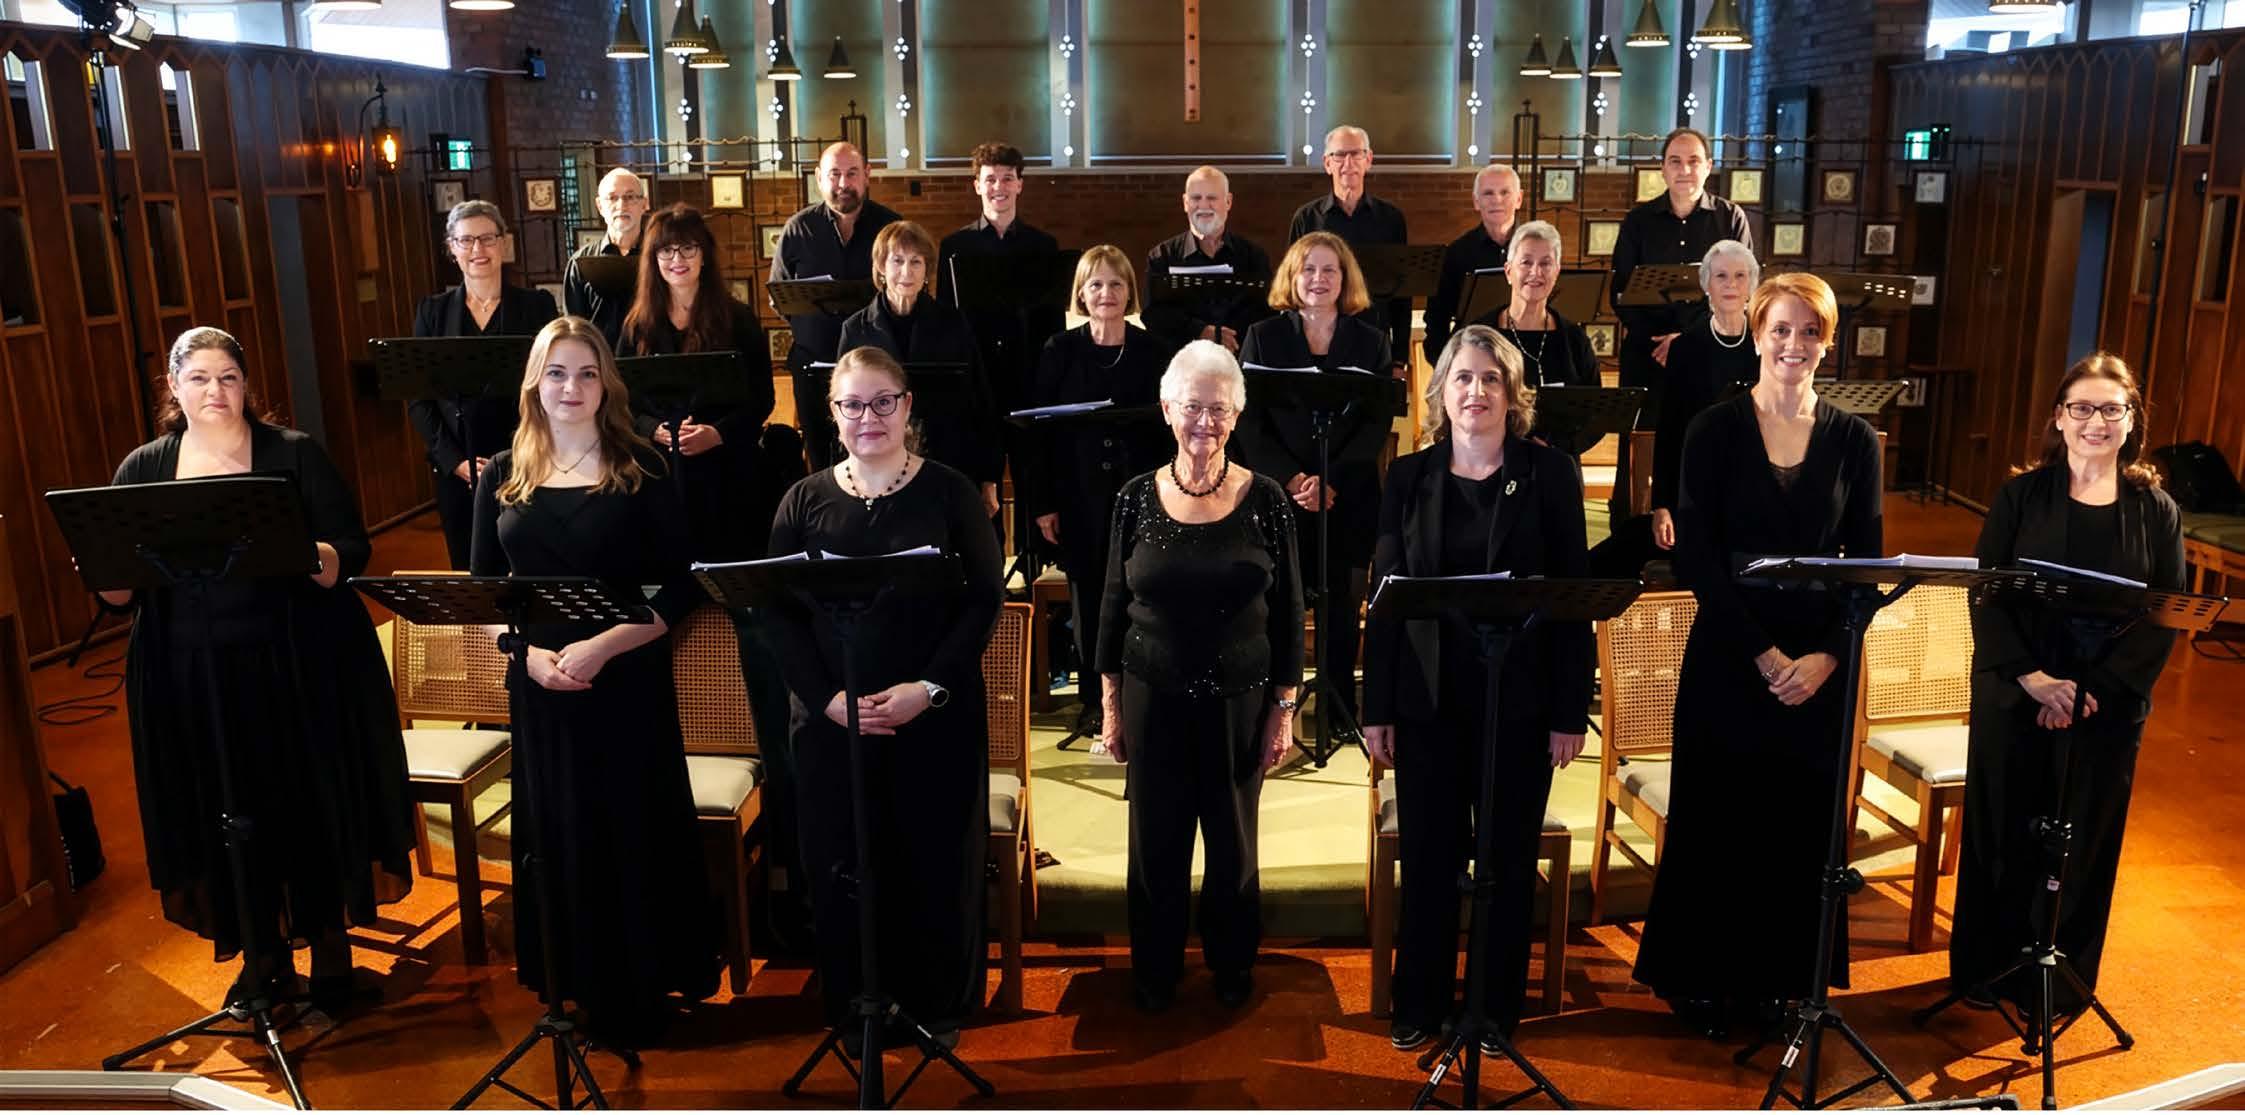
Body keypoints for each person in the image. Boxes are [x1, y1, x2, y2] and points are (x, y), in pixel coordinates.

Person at [108, 327, 415, 1014]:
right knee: (225, 805)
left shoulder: (294, 454)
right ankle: (262, 956)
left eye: (227, 377)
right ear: (174, 387)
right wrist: (101, 564)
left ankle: (331, 957)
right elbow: (119, 594)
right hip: (193, 673)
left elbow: (351, 550)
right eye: (198, 378)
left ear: (246, 385)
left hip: (296, 663)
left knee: (305, 801)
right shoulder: (144, 469)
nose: (214, 391)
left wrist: (308, 550)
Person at [1631, 272, 1883, 1038]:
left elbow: (1866, 565)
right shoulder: (1712, 428)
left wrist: (1826, 657)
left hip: (1818, 660)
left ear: (1826, 344)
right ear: (1758, 333)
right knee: (1718, 815)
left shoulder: (1853, 439)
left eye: (1809, 332)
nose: (1793, 344)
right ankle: (1705, 980)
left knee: (1795, 822)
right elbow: (1697, 558)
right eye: (1780, 329)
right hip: (1730, 647)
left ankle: (1783, 981)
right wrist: (1765, 654)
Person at [469, 316, 720, 1044]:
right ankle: (573, 981)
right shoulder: (501, 472)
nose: (570, 387)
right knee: (559, 830)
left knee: (630, 826)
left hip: (625, 676)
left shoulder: (643, 464)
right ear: (534, 383)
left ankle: (639, 986)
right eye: (556, 373)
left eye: (585, 373)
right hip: (540, 682)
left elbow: (684, 584)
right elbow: (483, 591)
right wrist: (525, 656)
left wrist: (604, 647)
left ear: (606, 383)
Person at [765, 345, 1005, 1047]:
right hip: (832, 722)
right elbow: (776, 613)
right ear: (832, 413)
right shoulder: (802, 500)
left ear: (906, 406)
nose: (867, 417)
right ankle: (856, 1007)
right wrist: (827, 699)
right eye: (851, 405)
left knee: (930, 858)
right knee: (843, 862)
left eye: (882, 402)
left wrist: (926, 689)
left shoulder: (951, 493)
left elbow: (983, 601)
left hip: (931, 717)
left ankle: (934, 1007)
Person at [1362, 324, 1593, 1050]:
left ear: (1513, 393)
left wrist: (1569, 710)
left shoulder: (1549, 473)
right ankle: (1419, 1000)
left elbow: (1573, 600)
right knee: (1430, 856)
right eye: (1462, 377)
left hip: (1520, 701)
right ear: (1441, 392)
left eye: (1492, 378)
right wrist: (1376, 707)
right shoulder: (1408, 477)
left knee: (1506, 859)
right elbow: (1384, 599)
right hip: (1427, 700)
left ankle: (1495, 1008)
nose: (1477, 391)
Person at [1948, 353, 2184, 1018]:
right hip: (2018, 688)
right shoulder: (2020, 496)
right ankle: (1988, 967)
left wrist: (2088, 691)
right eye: (2081, 407)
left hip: (2105, 700)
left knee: (2087, 838)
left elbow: (2166, 612)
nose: (2095, 421)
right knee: (2004, 827)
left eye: (2111, 408)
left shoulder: (2156, 510)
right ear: (2058, 416)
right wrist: (2034, 679)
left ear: (2131, 420)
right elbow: (1985, 593)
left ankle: (2060, 982)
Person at [1097, 340, 1304, 1014]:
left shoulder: (1266, 498)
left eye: (1218, 409)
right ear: (1167, 409)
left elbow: (1290, 612)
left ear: (1236, 414)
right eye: (1192, 407)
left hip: (1240, 698)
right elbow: (1110, 605)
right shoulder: (1133, 497)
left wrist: (1284, 709)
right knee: (1154, 840)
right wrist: (1110, 707)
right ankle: (1155, 966)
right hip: (1149, 692)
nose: (1204, 422)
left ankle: (1231, 961)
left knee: (1232, 841)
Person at [616, 203, 799, 930]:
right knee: (647, 632)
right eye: (667, 250)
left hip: (730, 501)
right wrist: (656, 432)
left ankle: (786, 837)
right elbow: (621, 404)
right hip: (665, 503)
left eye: (689, 249)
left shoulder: (738, 321)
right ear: (653, 259)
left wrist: (717, 434)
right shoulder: (636, 326)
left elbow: (761, 400)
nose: (678, 260)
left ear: (704, 256)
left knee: (760, 642)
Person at [1238, 232, 1390, 746]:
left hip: (1348, 492)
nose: (1318, 279)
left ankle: (1338, 704)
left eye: (1329, 270)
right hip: (1281, 494)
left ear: (1345, 279)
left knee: (1342, 604)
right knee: (1279, 599)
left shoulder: (1370, 340)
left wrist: (1331, 480)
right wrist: (1294, 479)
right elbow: (1249, 423)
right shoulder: (1263, 337)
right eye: (1308, 269)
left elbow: (1376, 422)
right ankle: (1277, 707)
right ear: (1292, 276)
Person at [1026, 246, 1180, 738]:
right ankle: (1094, 701)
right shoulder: (1059, 350)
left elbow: (1169, 430)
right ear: (1081, 293)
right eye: (1095, 284)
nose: (1106, 293)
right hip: (1078, 495)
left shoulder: (1154, 351)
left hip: (1143, 495)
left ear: (1129, 291)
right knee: (1089, 601)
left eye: (1116, 284)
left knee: (1143, 593)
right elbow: (1039, 434)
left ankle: (1141, 694)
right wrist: (1043, 503)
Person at [1607, 127, 1752, 527]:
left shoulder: (1730, 218)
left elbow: (1742, 287)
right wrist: (1660, 341)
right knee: (1638, 444)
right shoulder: (1638, 221)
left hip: (1711, 353)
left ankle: (1701, 526)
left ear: (1708, 167)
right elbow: (1621, 292)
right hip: (1648, 353)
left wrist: (1688, 340)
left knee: (1704, 440)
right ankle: (1631, 527)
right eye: (1675, 161)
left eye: (1693, 161)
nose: (1684, 170)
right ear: (1662, 169)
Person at [409, 199, 560, 569]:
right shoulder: (432, 311)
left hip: (527, 460)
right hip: (459, 469)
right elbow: (419, 399)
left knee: (531, 564)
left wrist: (528, 453)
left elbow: (552, 387)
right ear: (452, 248)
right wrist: (455, 461)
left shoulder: (537, 306)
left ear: (503, 244)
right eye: (466, 240)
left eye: (487, 238)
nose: (478, 249)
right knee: (470, 567)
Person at [938, 141, 1068, 546]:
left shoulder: (1042, 247)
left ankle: (1034, 565)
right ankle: (988, 566)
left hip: (1026, 379)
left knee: (1033, 476)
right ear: (976, 185)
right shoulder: (954, 248)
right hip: (979, 384)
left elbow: (1053, 326)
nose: (999, 187)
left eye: (1007, 179)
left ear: (1020, 185)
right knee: (981, 480)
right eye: (990, 179)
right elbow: (948, 322)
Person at [839, 219, 1003, 517]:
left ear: (927, 270)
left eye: (916, 262)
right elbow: (844, 407)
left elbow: (981, 400)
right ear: (881, 267)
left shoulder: (954, 324)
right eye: (897, 261)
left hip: (947, 460)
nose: (907, 271)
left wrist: (989, 476)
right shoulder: (855, 329)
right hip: (878, 465)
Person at [771, 142, 902, 467]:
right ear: (819, 177)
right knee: (819, 457)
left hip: (875, 367)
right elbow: (780, 299)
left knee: (876, 455)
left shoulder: (891, 227)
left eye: (852, 173)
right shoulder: (797, 228)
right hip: (813, 366)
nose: (843, 183)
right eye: (834, 174)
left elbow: (904, 291)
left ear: (867, 174)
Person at [1467, 221, 1599, 454]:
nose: (1535, 272)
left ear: (1556, 272)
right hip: (1491, 460)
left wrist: (1557, 449)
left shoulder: (1574, 338)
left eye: (1545, 263)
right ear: (1508, 271)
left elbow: (1595, 415)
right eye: (1526, 262)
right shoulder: (1478, 334)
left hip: (1559, 463)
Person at [1290, 125, 1412, 375]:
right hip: (1318, 345)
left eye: (1356, 154)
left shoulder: (1391, 219)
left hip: (1374, 346)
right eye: (1339, 155)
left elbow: (1402, 293)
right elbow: (1293, 286)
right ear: (1327, 163)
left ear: (1368, 160)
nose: (1348, 163)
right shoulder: (1306, 218)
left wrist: (1399, 358)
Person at [1143, 165, 1273, 354]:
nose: (1204, 206)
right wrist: (1201, 331)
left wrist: (1226, 337)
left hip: (1238, 359)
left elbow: (1265, 312)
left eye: (1212, 198)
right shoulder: (1162, 257)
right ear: (1185, 203)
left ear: (1228, 202)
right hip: (1180, 363)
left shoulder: (1254, 257)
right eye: (1196, 198)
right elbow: (1153, 314)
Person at [1422, 165, 1523, 367]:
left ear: (1519, 198)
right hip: (1474, 360)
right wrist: (1446, 367)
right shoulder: (1457, 253)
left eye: (1505, 192)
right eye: (1488, 193)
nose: (1497, 200)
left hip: (1526, 356)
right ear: (1476, 202)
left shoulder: (1537, 249)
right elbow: (1437, 319)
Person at [563, 167, 651, 347]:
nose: (621, 205)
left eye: (630, 197)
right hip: (599, 360)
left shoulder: (660, 257)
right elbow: (574, 329)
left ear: (644, 204)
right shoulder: (580, 263)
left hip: (650, 358)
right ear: (600, 206)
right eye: (612, 198)